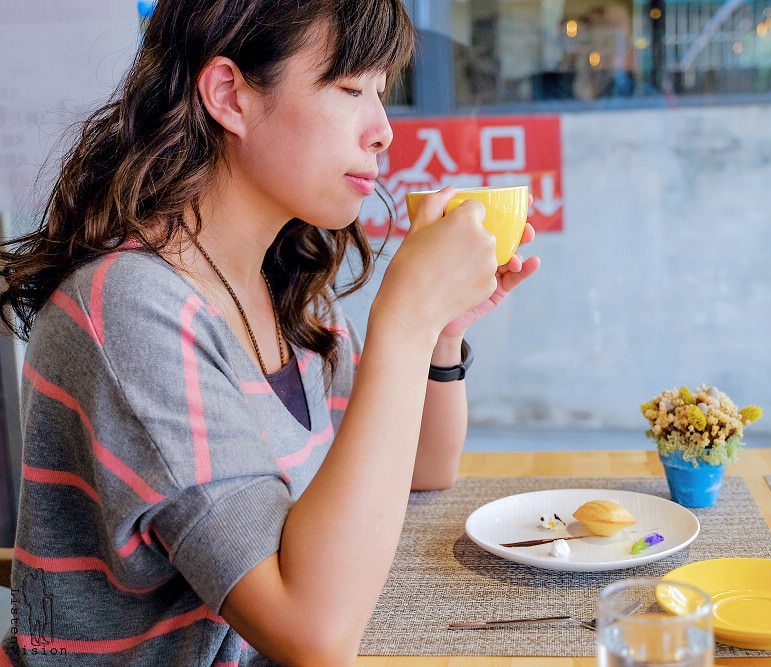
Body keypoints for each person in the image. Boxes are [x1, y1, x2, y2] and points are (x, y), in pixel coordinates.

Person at [0, 1, 539, 665]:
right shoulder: (128, 308)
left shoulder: (283, 284)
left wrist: (439, 334)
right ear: (229, 95)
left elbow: (423, 469)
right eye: (349, 90)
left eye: (381, 92)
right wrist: (403, 320)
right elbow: (312, 633)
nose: (382, 131)